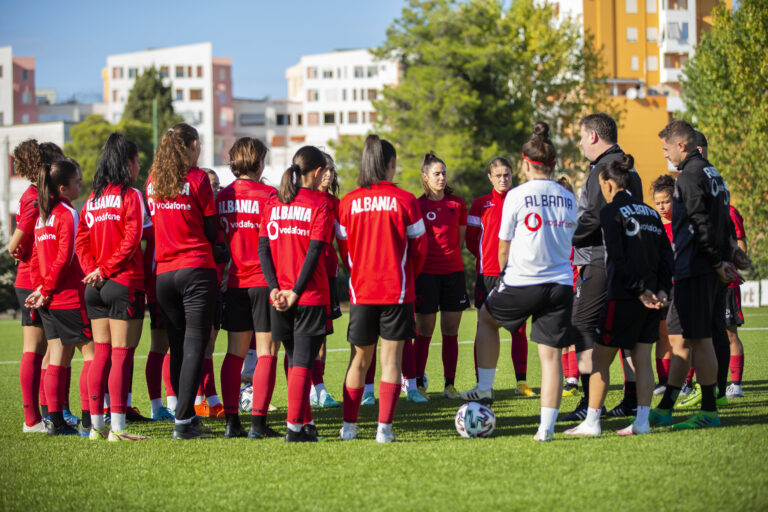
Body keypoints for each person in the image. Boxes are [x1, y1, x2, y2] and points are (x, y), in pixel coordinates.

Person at [460, 122, 577, 442]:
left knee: (486, 318)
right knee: (550, 356)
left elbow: (503, 245)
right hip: (561, 283)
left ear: (525, 164)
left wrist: (501, 278)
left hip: (523, 280)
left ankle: (485, 389)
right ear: (552, 165)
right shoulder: (568, 198)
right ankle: (546, 429)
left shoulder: (517, 195)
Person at [564, 154, 673, 437]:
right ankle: (642, 422)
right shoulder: (651, 213)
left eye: (602, 185)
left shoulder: (610, 212)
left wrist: (638, 291)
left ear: (610, 184)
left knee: (600, 359)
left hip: (623, 297)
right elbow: (666, 259)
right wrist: (659, 291)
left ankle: (592, 422)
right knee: (642, 359)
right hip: (651, 299)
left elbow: (618, 259)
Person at [337, 134, 428, 443]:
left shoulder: (348, 202)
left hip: (362, 291)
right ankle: (384, 430)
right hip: (397, 291)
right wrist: (408, 276)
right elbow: (420, 248)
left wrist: (358, 273)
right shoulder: (406, 201)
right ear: (390, 164)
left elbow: (344, 249)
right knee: (391, 362)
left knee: (359, 361)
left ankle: (349, 428)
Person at [650, 120, 737, 429]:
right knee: (682, 340)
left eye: (666, 149)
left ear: (681, 145)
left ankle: (709, 411)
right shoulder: (714, 173)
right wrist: (730, 256)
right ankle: (665, 407)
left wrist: (716, 262)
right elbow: (723, 220)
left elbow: (701, 222)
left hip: (697, 269)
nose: (665, 155)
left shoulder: (688, 176)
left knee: (699, 340)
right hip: (703, 269)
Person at [563, 112, 644, 422]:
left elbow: (596, 217)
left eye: (582, 137)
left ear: (594, 136)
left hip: (600, 260)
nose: (581, 143)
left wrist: (566, 236)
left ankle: (589, 401)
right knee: (625, 332)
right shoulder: (626, 166)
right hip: (628, 260)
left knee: (581, 327)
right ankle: (633, 400)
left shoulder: (604, 168)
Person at [74, 133, 148, 441]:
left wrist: (93, 270)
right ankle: (117, 428)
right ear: (127, 162)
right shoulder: (130, 195)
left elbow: (81, 241)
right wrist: (105, 269)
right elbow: (133, 239)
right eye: (136, 161)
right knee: (120, 354)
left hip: (96, 286)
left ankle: (96, 427)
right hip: (122, 282)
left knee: (101, 354)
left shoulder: (91, 200)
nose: (138, 166)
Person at [146, 123, 218, 440]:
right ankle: (184, 422)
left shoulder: (152, 183)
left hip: (163, 274)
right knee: (194, 345)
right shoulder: (198, 179)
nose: (199, 150)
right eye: (197, 144)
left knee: (177, 346)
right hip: (195, 268)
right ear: (188, 146)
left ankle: (183, 415)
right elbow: (213, 229)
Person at [258, 145, 334, 442]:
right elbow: (314, 251)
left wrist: (275, 288)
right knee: (302, 361)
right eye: (324, 171)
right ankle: (294, 428)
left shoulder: (273, 202)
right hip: (309, 296)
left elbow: (263, 248)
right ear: (316, 172)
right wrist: (295, 292)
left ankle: (304, 422)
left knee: (294, 359)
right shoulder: (320, 203)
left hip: (278, 297)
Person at [216, 137, 281, 439]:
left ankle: (232, 422)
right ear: (258, 162)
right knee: (267, 353)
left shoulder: (222, 197)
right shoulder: (269, 195)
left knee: (234, 354)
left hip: (234, 281)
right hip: (264, 283)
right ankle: (257, 423)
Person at [26, 158, 94, 436]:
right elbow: (65, 257)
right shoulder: (67, 214)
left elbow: (34, 259)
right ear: (63, 187)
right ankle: (91, 418)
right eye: (77, 182)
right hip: (67, 296)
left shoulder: (44, 217)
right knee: (92, 355)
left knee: (56, 357)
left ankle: (55, 420)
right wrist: (47, 288)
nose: (81, 185)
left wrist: (39, 289)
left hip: (49, 299)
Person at [467, 158, 535, 398]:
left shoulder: (521, 201)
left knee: (518, 329)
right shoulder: (479, 205)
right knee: (483, 327)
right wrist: (490, 260)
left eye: (507, 175)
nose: (503, 179)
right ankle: (482, 384)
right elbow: (471, 241)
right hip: (487, 275)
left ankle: (522, 382)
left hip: (517, 274)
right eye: (498, 175)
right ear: (490, 177)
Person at [8, 140, 63, 433]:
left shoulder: (43, 195)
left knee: (46, 350)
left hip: (41, 280)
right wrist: (24, 251)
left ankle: (48, 414)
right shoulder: (33, 198)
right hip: (31, 281)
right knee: (34, 349)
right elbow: (14, 244)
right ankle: (31, 420)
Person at [413, 151, 468, 400]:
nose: (442, 177)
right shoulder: (417, 205)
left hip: (453, 274)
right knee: (424, 330)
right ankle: (418, 385)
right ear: (425, 177)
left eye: (444, 173)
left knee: (450, 330)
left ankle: (449, 385)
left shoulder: (457, 204)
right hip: (425, 275)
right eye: (437, 173)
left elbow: (461, 239)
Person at [309, 152, 342, 408]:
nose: (329, 174)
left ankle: (320, 387)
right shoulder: (306, 199)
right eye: (325, 169)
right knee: (309, 333)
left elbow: (342, 238)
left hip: (328, 270)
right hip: (310, 270)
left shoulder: (335, 202)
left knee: (324, 333)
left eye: (332, 170)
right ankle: (311, 386)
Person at [193, 168, 226, 419]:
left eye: (216, 185)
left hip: (219, 285)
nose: (214, 190)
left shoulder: (221, 214)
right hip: (199, 284)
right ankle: (197, 397)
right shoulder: (199, 216)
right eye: (211, 185)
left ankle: (210, 396)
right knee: (197, 343)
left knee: (210, 343)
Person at [650, 174, 676, 396]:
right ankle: (664, 379)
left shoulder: (682, 224)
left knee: (681, 335)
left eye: (666, 201)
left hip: (682, 286)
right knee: (662, 334)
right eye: (657, 203)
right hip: (662, 287)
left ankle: (686, 379)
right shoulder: (654, 226)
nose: (661, 206)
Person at [725, 204, 746, 398]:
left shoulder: (729, 211)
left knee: (730, 333)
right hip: (705, 283)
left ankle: (736, 385)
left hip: (727, 285)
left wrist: (733, 269)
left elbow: (741, 245)